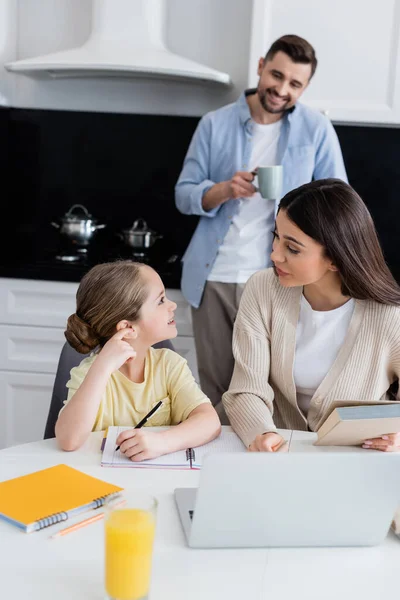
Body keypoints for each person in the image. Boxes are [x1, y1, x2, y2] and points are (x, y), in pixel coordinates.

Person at [175, 34, 347, 421]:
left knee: (271, 388)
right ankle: (213, 474)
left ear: (305, 88)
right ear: (260, 66)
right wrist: (222, 189)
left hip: (279, 278)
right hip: (213, 275)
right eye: (276, 75)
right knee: (215, 389)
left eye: (295, 84)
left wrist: (294, 200)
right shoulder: (213, 124)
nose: (282, 89)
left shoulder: (317, 129)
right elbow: (183, 194)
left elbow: (339, 201)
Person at [222, 178, 400, 453]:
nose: (275, 255)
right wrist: (262, 433)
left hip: (358, 462)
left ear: (336, 258)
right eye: (276, 238)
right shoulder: (262, 289)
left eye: (292, 248)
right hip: (277, 457)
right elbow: (247, 388)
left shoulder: (390, 316)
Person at [55, 261, 221, 459]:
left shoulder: (169, 365)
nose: (172, 305)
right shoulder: (89, 374)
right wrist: (101, 368)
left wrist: (162, 442)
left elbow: (210, 422)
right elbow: (69, 440)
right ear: (128, 328)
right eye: (160, 300)